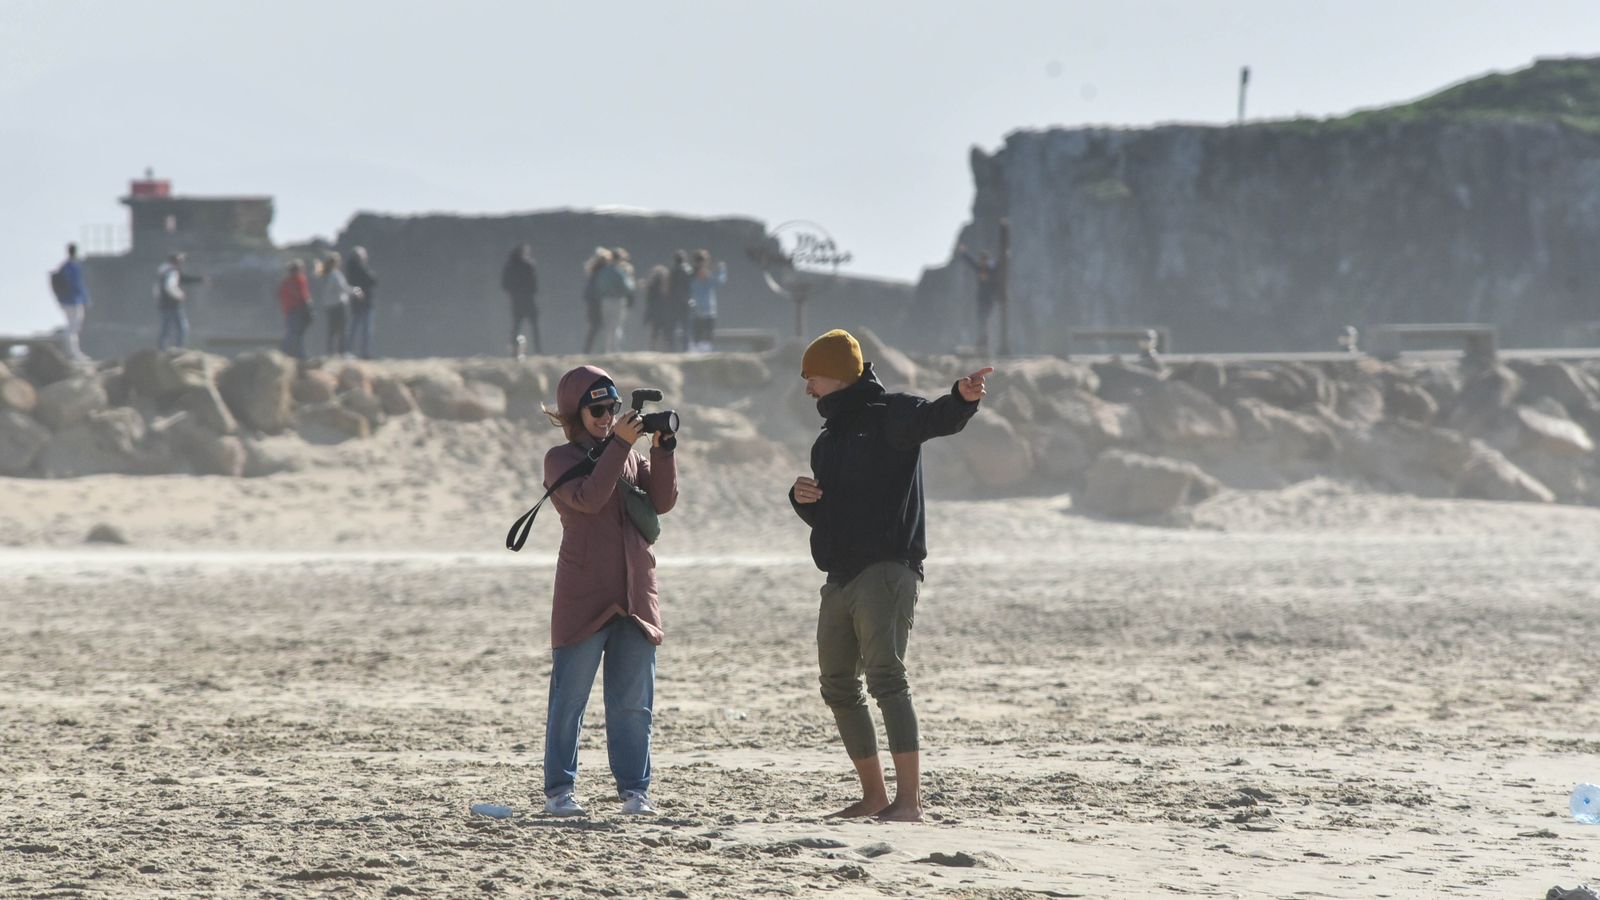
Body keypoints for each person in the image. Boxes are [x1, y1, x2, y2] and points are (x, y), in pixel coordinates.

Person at [788, 328, 992, 822]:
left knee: (886, 679)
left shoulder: (890, 414)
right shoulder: (829, 439)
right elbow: (832, 514)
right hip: (839, 575)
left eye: (811, 377)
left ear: (834, 373)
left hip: (886, 569)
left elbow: (933, 420)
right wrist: (801, 501)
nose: (807, 388)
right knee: (837, 685)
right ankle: (875, 796)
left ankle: (910, 802)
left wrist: (961, 400)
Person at [539, 364, 678, 817]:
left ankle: (636, 792)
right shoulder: (559, 459)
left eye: (612, 408)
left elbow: (662, 502)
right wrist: (620, 442)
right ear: (573, 413)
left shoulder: (628, 456)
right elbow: (591, 498)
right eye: (596, 409)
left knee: (633, 705)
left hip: (636, 594)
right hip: (584, 596)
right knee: (569, 702)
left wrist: (662, 451)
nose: (606, 416)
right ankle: (560, 791)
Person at [957, 243, 1001, 354]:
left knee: (985, 320)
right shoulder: (981, 268)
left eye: (983, 260)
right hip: (981, 299)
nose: (982, 262)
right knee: (981, 320)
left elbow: (998, 271)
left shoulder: (993, 269)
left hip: (989, 299)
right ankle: (982, 343)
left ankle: (984, 343)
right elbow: (971, 262)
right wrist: (964, 253)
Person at [153, 253, 201, 351]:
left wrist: (159, 299)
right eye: (181, 261)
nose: (182, 263)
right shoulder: (172, 272)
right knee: (182, 327)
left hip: (163, 304)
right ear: (176, 261)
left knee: (165, 328)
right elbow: (170, 286)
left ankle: (162, 349)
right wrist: (179, 295)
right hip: (173, 305)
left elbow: (156, 289)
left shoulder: (163, 272)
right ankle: (179, 348)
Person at [316, 251, 359, 357]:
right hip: (338, 305)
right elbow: (343, 288)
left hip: (328, 306)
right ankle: (342, 352)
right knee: (342, 329)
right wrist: (356, 291)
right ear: (336, 262)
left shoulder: (325, 274)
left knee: (332, 330)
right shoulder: (335, 274)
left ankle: (330, 352)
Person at [51, 243, 90, 361]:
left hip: (66, 300)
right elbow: (77, 284)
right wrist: (85, 299)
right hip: (74, 300)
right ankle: (72, 351)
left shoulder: (64, 266)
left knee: (72, 326)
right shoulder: (73, 267)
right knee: (74, 327)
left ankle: (74, 351)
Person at [502, 244, 541, 358]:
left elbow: (504, 284)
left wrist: (514, 292)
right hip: (528, 299)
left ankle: (514, 351)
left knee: (517, 326)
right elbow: (534, 285)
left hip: (516, 300)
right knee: (534, 325)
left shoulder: (510, 267)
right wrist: (529, 291)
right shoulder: (528, 266)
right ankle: (538, 350)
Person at [596, 247, 636, 353]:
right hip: (617, 300)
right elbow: (628, 287)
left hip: (605, 300)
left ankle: (606, 349)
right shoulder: (619, 272)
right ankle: (615, 349)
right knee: (616, 325)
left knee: (607, 325)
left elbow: (599, 286)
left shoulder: (603, 271)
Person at [687, 250, 726, 352]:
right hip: (707, 310)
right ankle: (703, 355)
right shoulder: (706, 274)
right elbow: (720, 282)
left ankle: (695, 354)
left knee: (696, 337)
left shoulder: (690, 275)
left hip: (695, 310)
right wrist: (722, 270)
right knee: (706, 338)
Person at [345, 246, 379, 359]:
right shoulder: (361, 269)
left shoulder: (350, 269)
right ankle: (364, 353)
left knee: (354, 328)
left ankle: (348, 351)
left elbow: (353, 286)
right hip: (365, 304)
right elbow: (372, 280)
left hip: (356, 304)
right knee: (366, 330)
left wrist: (357, 292)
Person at [277, 260, 313, 360]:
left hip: (289, 311)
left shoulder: (286, 282)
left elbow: (280, 296)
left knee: (293, 333)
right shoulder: (299, 279)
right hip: (297, 310)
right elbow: (304, 296)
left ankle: (289, 353)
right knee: (296, 334)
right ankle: (300, 355)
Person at [581, 248, 613, 353]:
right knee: (597, 326)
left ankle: (589, 349)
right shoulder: (601, 273)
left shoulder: (593, 271)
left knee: (595, 327)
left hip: (592, 302)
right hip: (596, 303)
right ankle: (590, 349)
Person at [665, 250, 693, 352]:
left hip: (673, 302)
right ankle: (686, 349)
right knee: (685, 326)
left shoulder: (672, 271)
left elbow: (668, 287)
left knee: (672, 326)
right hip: (686, 301)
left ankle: (672, 348)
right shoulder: (689, 271)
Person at [641, 264, 671, 351]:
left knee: (655, 331)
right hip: (664, 311)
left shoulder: (651, 286)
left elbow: (648, 300)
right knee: (665, 331)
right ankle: (666, 348)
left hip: (655, 311)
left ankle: (652, 348)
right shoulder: (666, 284)